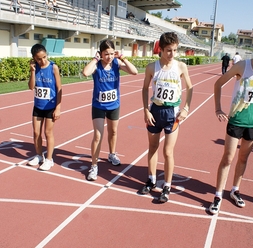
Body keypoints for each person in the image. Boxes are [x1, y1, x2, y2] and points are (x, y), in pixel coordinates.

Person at [209, 36, 253, 215]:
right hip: (236, 120)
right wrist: (218, 109)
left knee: (243, 158)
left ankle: (234, 190)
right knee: (228, 158)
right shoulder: (242, 66)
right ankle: (217, 195)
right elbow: (218, 84)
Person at [139, 32, 193, 203]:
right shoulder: (151, 67)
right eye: (168, 50)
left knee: (168, 151)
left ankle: (167, 186)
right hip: (155, 111)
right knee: (153, 147)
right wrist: (146, 110)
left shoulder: (181, 67)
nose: (172, 54)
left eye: (175, 50)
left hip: (172, 114)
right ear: (160, 49)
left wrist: (186, 108)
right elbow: (144, 88)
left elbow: (190, 88)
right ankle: (151, 180)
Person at [82, 40, 138, 181]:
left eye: (112, 53)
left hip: (114, 105)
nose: (109, 57)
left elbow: (134, 72)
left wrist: (122, 58)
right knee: (98, 136)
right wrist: (95, 59)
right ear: (100, 53)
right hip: (99, 106)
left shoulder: (116, 64)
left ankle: (112, 154)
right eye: (106, 54)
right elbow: (85, 72)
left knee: (113, 132)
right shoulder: (96, 66)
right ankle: (94, 166)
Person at [27, 44, 62, 171]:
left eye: (44, 57)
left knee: (48, 133)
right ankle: (39, 155)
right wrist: (32, 71)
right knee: (36, 133)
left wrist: (58, 108)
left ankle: (49, 159)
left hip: (50, 106)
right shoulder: (35, 68)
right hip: (38, 106)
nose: (42, 61)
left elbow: (59, 88)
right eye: (39, 59)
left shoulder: (53, 67)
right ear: (34, 58)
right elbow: (31, 87)